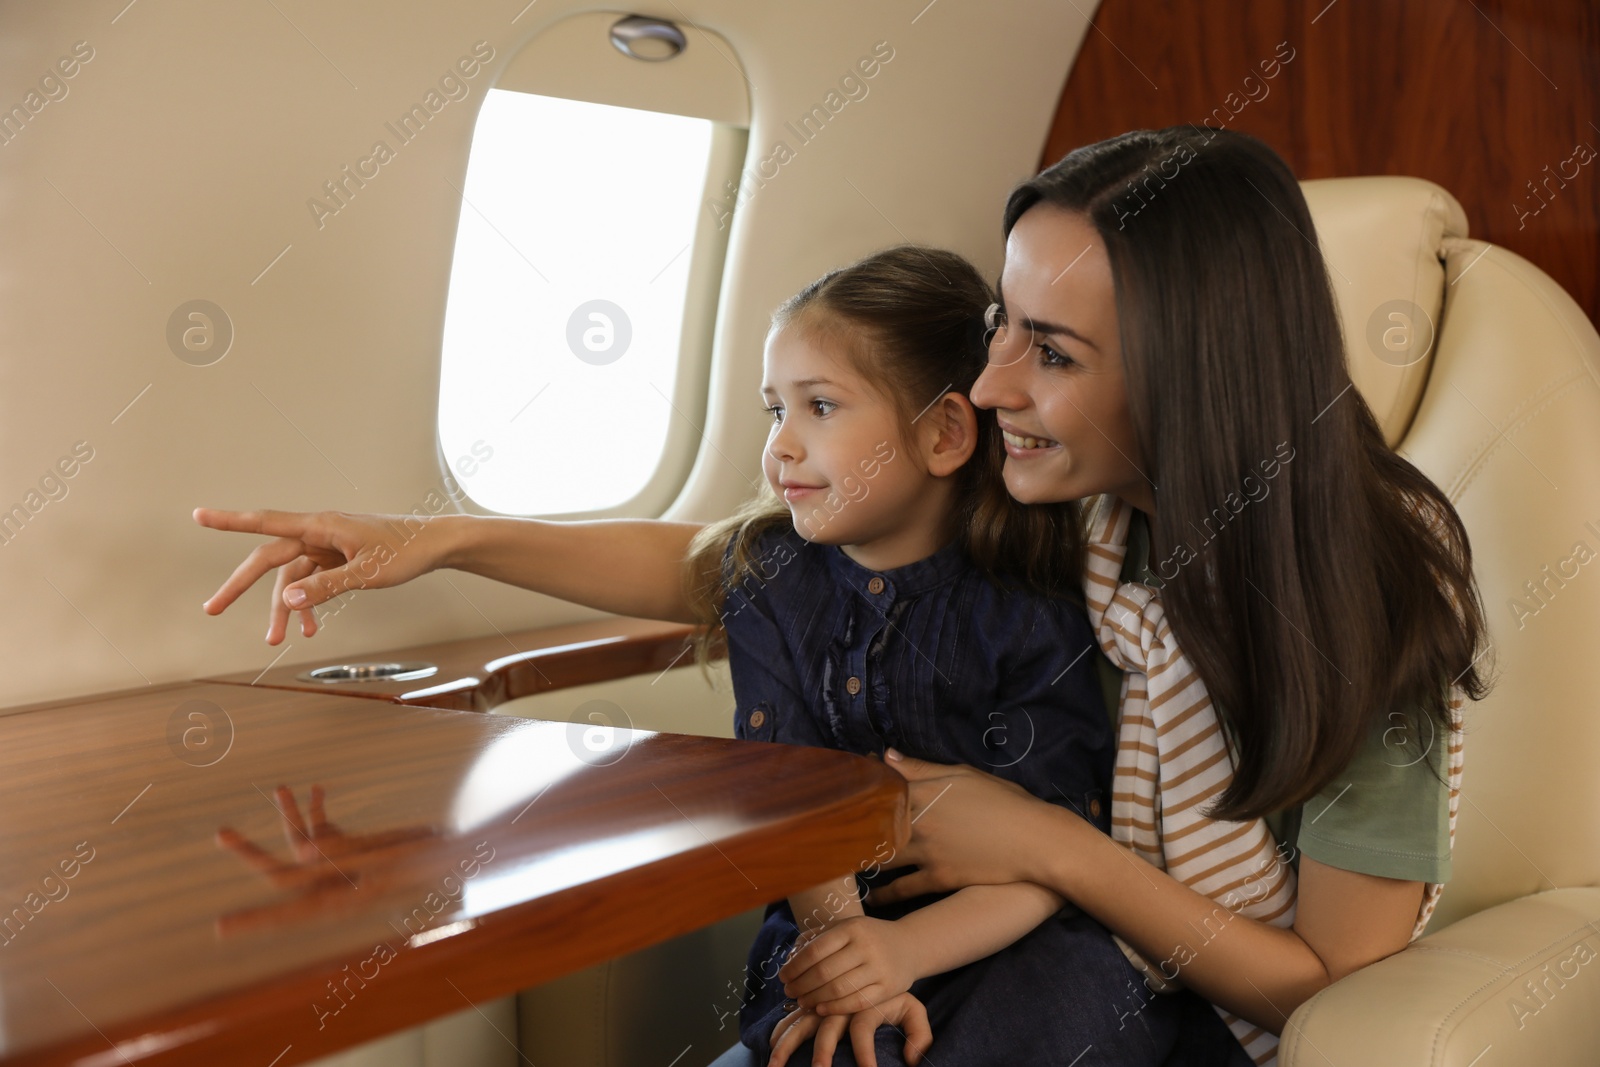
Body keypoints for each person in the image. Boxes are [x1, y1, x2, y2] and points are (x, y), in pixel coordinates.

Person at [196, 245, 1250, 1067]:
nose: (779, 444)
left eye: (820, 408)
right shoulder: (775, 580)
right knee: (820, 1025)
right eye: (772, 409)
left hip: (1011, 940)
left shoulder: (1029, 604)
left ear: (942, 435)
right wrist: (846, 949)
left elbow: (1052, 842)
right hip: (836, 924)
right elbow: (794, 798)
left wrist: (904, 956)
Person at [848, 125, 1488, 1065]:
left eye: (1054, 354)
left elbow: (1330, 987)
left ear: (1192, 371)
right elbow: (780, 549)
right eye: (1001, 325)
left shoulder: (1374, 590)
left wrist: (1049, 846)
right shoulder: (1062, 503)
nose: (989, 387)